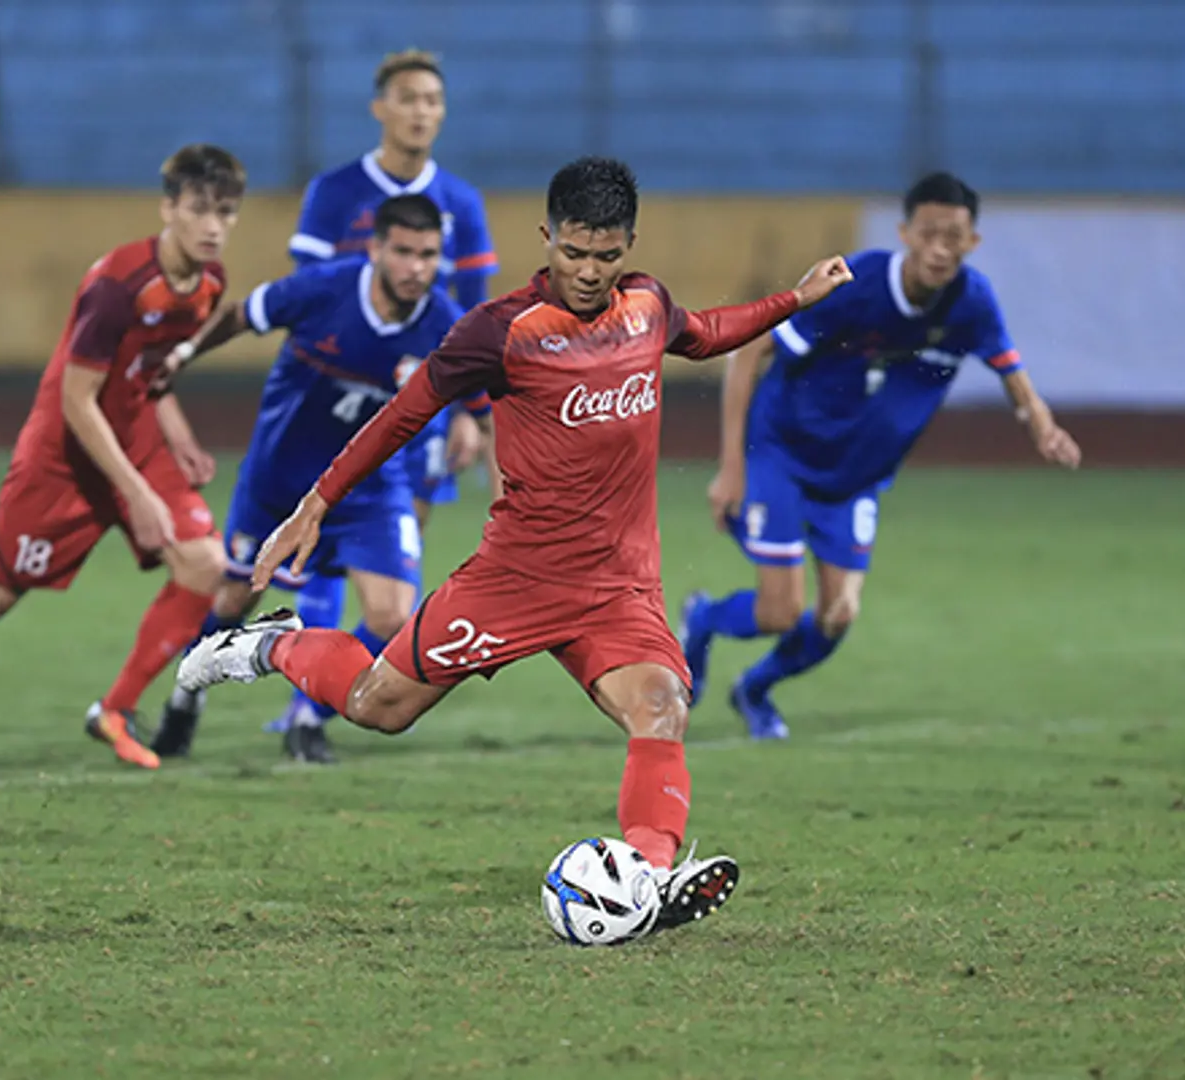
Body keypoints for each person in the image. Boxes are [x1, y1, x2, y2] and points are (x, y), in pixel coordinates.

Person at [174, 156, 853, 930]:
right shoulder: (499, 332)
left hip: (616, 587)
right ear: (547, 237)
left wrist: (796, 299)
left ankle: (649, 880)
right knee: (377, 708)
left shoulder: (647, 304)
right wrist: (316, 503)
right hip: (516, 578)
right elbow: (404, 414)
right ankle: (275, 646)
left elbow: (703, 335)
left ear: (629, 244)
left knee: (662, 710)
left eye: (606, 255)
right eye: (573, 253)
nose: (591, 272)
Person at [679, 172, 1083, 740]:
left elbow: (1011, 372)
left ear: (974, 242)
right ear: (905, 233)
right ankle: (704, 619)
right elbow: (751, 352)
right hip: (783, 455)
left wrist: (1041, 425)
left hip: (856, 478)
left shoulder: (972, 302)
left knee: (838, 614)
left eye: (955, 236)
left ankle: (755, 690)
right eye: (929, 232)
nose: (941, 247)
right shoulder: (855, 282)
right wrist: (732, 466)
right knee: (780, 612)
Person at [0, 145, 244, 769]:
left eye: (226, 212)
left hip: (135, 438)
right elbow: (76, 400)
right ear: (168, 208)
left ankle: (113, 710)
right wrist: (137, 494)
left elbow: (150, 372)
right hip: (63, 454)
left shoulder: (208, 284)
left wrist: (180, 435)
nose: (214, 226)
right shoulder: (116, 287)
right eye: (199, 210)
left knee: (205, 565)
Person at [149, 193, 490, 765]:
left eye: (428, 255)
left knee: (392, 615)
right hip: (280, 480)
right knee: (234, 597)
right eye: (403, 252)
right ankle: (186, 696)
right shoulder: (323, 290)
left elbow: (484, 401)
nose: (416, 268)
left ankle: (310, 716)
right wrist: (183, 353)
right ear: (376, 249)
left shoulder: (444, 326)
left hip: (372, 490)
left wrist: (467, 424)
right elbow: (241, 314)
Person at [267, 48, 501, 743]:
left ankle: (312, 700)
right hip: (333, 401)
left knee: (393, 563)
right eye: (408, 98)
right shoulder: (336, 192)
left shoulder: (460, 202)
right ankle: (306, 695)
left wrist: (467, 411)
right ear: (381, 108)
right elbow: (312, 299)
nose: (421, 111)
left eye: (432, 99)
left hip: (422, 405)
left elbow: (474, 316)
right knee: (320, 541)